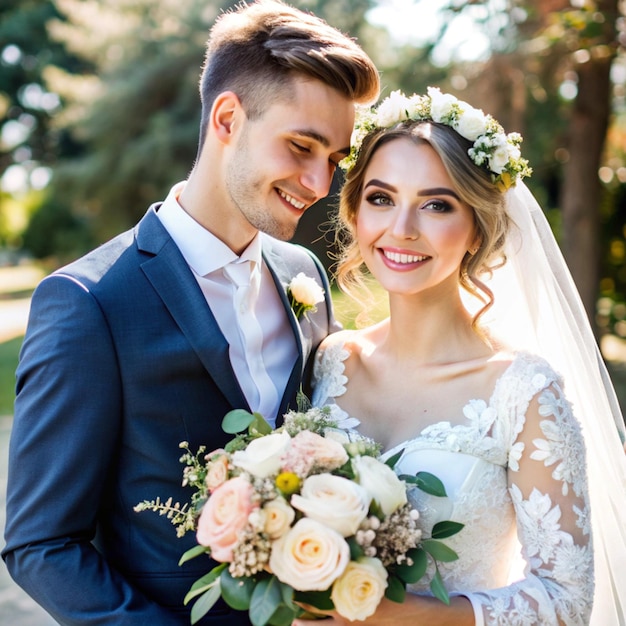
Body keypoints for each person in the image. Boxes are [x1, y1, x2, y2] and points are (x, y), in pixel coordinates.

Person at [2, 1, 380, 624]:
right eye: (301, 146)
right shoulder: (89, 303)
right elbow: (41, 545)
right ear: (228, 117)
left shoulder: (302, 276)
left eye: (335, 159)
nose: (319, 183)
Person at [307, 88, 626, 625]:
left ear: (476, 226)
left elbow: (567, 601)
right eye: (381, 198)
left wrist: (389, 615)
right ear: (356, 211)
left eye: (436, 204)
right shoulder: (330, 361)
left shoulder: (523, 393)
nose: (402, 228)